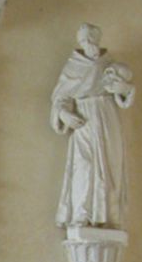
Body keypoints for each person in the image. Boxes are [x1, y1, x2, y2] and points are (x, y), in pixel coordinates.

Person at [51, 23, 135, 230]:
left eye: (90, 39)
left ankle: (109, 217)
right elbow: (61, 98)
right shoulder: (73, 66)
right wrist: (63, 114)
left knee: (110, 166)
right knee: (84, 166)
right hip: (84, 119)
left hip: (108, 117)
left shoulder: (111, 66)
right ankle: (82, 214)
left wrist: (125, 89)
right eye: (83, 40)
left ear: (97, 39)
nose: (88, 43)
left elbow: (124, 91)